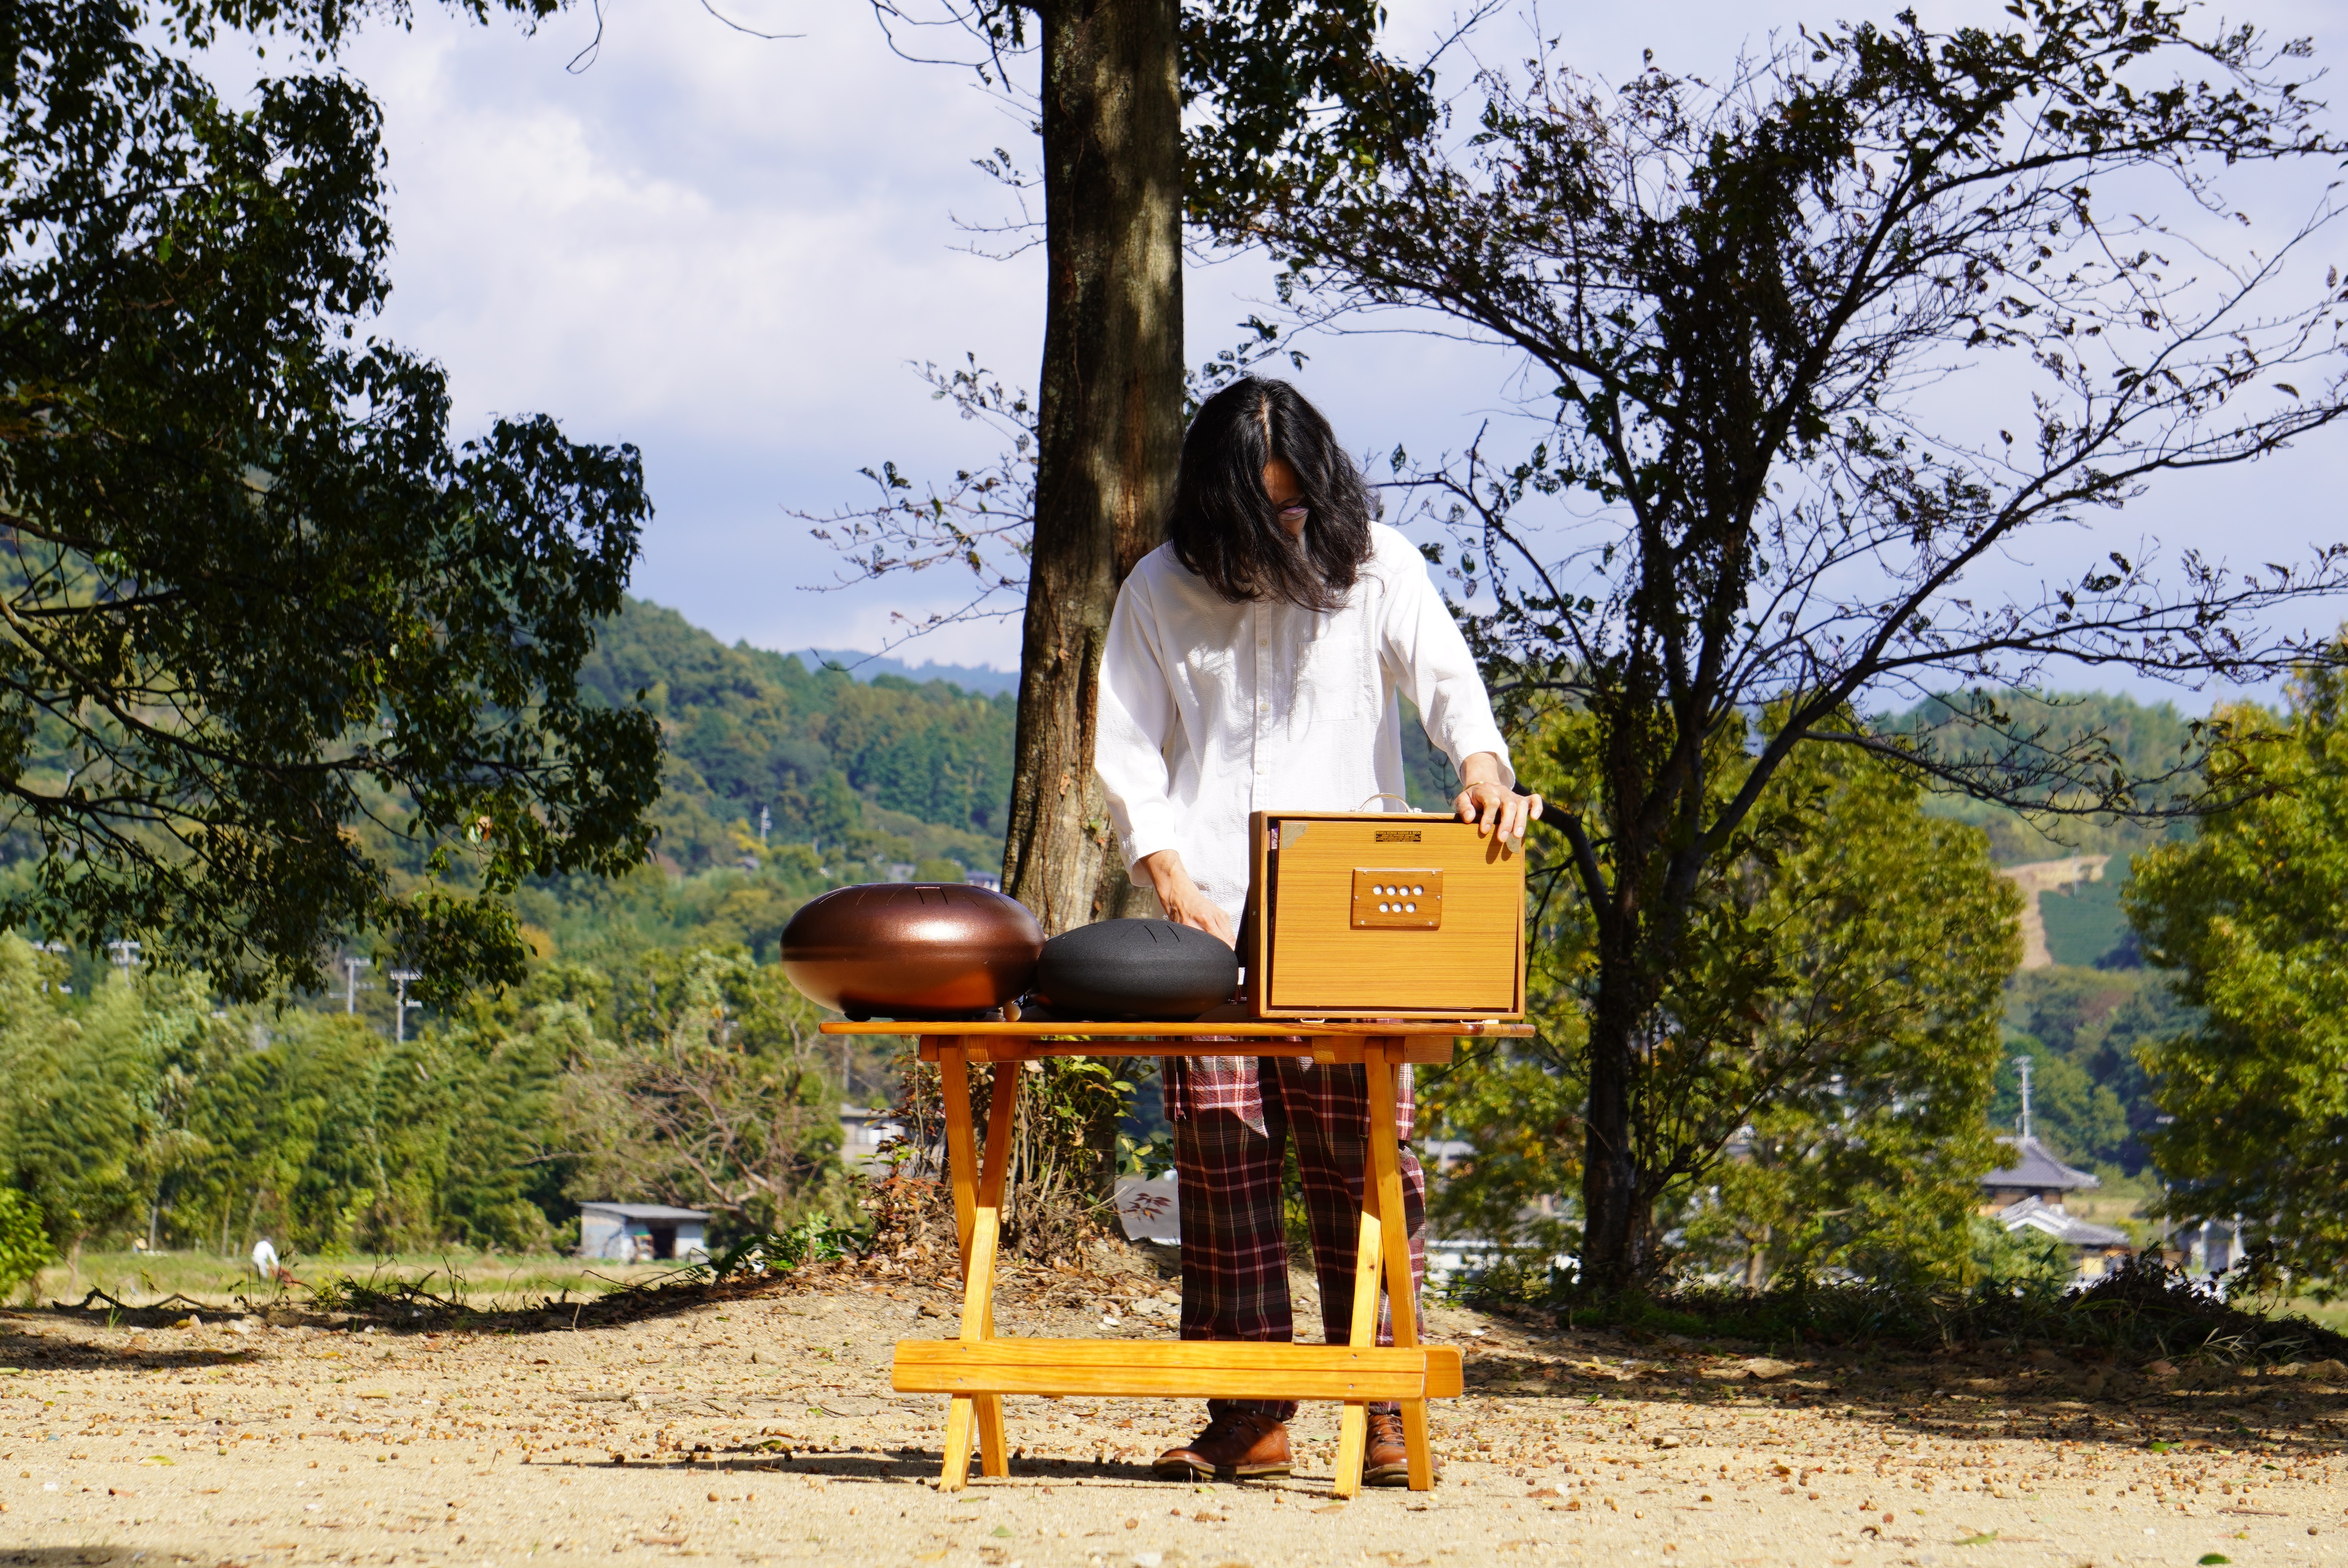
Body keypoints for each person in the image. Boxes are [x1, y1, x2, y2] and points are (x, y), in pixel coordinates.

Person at [1095, 377, 1534, 1486]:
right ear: (1214, 502)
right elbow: (1127, 748)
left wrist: (1480, 770)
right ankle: (1250, 1416)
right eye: (1261, 509)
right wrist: (1164, 875)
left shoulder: (1377, 564)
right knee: (1223, 1160)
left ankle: (1381, 1408)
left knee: (1364, 1162)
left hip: (1351, 921)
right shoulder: (1157, 586)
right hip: (1209, 919)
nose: (1282, 526)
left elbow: (1447, 685)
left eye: (1297, 505)